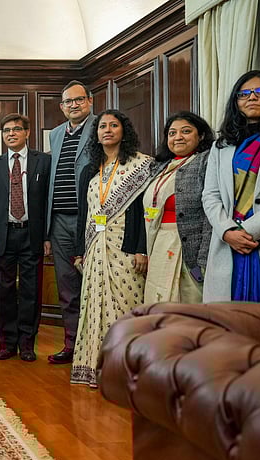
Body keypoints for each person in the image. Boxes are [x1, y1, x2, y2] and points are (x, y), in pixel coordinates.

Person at [71, 110, 153, 388]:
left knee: (126, 307)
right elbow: (83, 214)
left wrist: (141, 248)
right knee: (94, 307)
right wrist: (79, 250)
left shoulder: (141, 166)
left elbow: (145, 212)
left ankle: (125, 371)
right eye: (102, 126)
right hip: (95, 248)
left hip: (125, 248)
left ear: (123, 130)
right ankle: (95, 367)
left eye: (113, 125)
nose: (107, 130)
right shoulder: (89, 171)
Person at [202, 70, 260, 303]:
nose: (252, 97)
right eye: (244, 94)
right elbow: (210, 195)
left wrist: (249, 230)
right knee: (228, 325)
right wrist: (227, 231)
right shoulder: (222, 145)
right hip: (229, 245)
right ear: (236, 102)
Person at [0, 113, 51, 362]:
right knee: (4, 291)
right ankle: (7, 343)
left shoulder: (44, 162)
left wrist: (47, 236)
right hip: (3, 235)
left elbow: (47, 202)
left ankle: (27, 343)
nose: (11, 134)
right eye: (6, 131)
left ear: (27, 133)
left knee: (31, 291)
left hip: (32, 234)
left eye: (16, 129)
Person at [45, 80, 97, 365]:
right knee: (67, 286)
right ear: (62, 107)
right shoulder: (55, 134)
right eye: (68, 102)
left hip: (91, 219)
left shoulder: (101, 126)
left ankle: (96, 347)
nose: (73, 105)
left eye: (78, 100)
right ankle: (73, 344)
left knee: (95, 283)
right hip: (60, 221)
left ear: (89, 101)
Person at [143, 112, 215, 303]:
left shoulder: (206, 161)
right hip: (158, 242)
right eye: (172, 133)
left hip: (189, 247)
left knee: (187, 306)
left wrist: (204, 258)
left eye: (186, 131)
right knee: (158, 304)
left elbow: (211, 213)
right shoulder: (160, 166)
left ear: (200, 136)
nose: (178, 137)